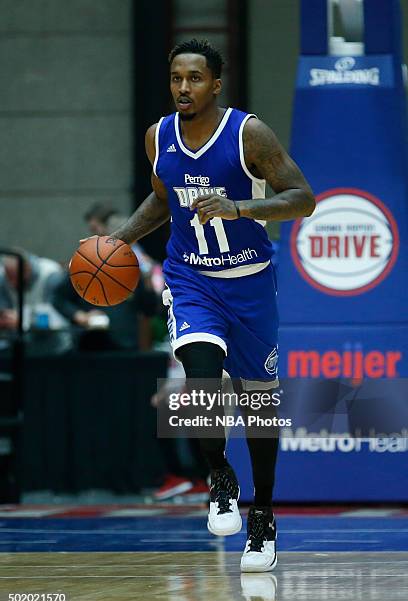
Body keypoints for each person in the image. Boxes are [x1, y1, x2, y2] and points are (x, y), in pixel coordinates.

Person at [81, 39, 315, 572]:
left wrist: (240, 208)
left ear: (215, 83)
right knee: (198, 372)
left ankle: (264, 513)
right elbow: (163, 199)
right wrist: (117, 240)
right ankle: (219, 475)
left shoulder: (248, 134)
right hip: (191, 280)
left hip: (251, 282)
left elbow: (303, 197)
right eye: (175, 79)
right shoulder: (158, 136)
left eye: (194, 78)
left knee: (258, 406)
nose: (183, 88)